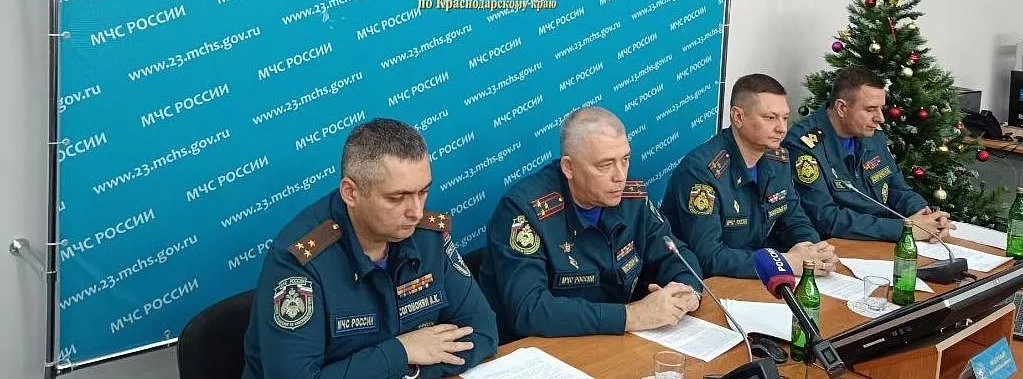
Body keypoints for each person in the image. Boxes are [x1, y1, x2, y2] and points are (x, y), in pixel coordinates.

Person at [242, 118, 498, 379]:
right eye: (397, 198)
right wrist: (401, 352)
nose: (416, 211)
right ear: (350, 193)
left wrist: (409, 371)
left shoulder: (427, 235)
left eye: (423, 192)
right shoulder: (299, 263)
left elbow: (483, 332)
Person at [479, 106, 703, 341]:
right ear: (569, 167)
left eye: (625, 160)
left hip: (616, 341)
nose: (620, 176)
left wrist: (688, 291)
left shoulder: (631, 196)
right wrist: (632, 316)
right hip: (548, 347)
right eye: (605, 165)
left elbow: (675, 253)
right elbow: (529, 310)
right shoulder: (523, 211)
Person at [661, 73, 838, 278]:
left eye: (785, 118)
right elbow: (709, 257)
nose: (782, 128)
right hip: (714, 284)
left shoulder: (778, 159)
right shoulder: (700, 172)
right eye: (770, 118)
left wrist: (814, 252)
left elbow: (794, 219)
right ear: (738, 117)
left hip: (758, 275)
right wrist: (784, 262)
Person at [783, 66, 953, 242]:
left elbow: (896, 188)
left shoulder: (871, 134)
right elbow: (826, 218)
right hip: (840, 244)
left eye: (881, 108)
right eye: (871, 109)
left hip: (880, 238)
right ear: (841, 108)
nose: (881, 118)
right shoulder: (803, 146)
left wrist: (925, 215)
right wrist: (903, 229)